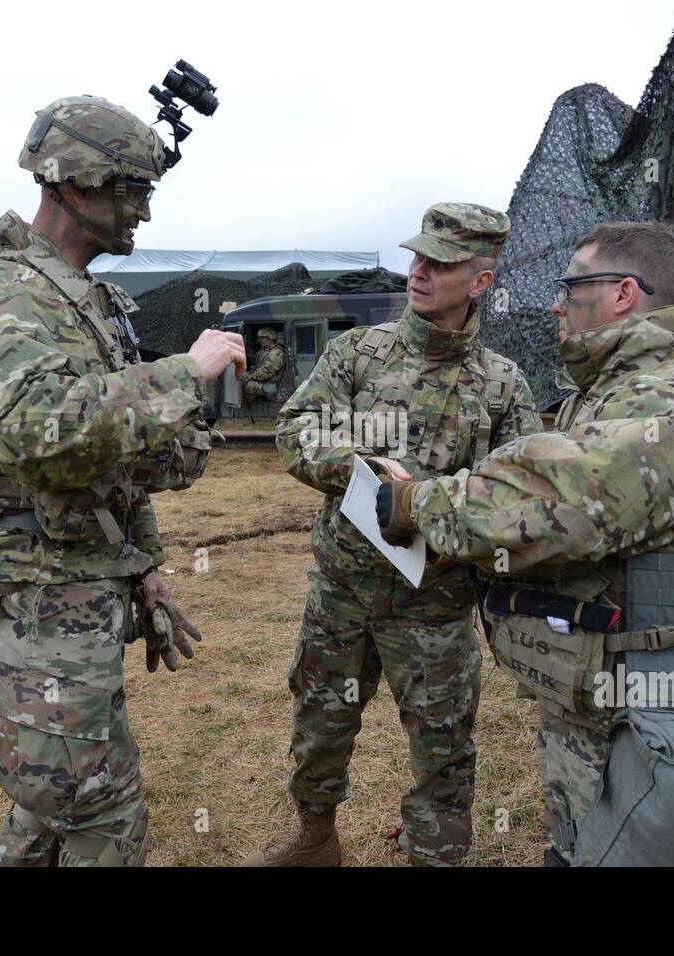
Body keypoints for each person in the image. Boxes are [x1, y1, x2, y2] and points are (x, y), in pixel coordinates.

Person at [377, 220, 674, 865]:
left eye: (573, 286)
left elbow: (566, 499)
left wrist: (417, 503)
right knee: (589, 836)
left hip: (659, 704)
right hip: (626, 686)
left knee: (633, 844)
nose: (557, 303)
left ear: (624, 293)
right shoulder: (627, 386)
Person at [0, 94, 245, 866]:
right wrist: (185, 373)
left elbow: (109, 467)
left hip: (75, 585)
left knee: (50, 807)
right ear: (75, 187)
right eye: (131, 190)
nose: (141, 211)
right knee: (100, 812)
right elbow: (44, 437)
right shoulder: (6, 295)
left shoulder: (77, 297)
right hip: (39, 599)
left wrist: (143, 567)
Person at [249, 202, 545, 867]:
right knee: (321, 721)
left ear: (481, 281)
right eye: (418, 256)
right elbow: (295, 433)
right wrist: (355, 461)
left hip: (434, 605)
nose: (419, 272)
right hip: (342, 593)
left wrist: (442, 511)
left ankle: (434, 856)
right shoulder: (358, 352)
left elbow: (519, 496)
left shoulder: (501, 385)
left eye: (441, 263)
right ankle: (315, 838)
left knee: (443, 746)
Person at [242, 327, 286, 401]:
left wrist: (249, 376)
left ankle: (247, 408)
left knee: (250, 386)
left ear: (270, 338)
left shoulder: (276, 352)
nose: (260, 340)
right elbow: (256, 363)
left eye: (262, 337)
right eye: (259, 338)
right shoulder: (264, 350)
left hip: (273, 384)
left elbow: (267, 371)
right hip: (265, 380)